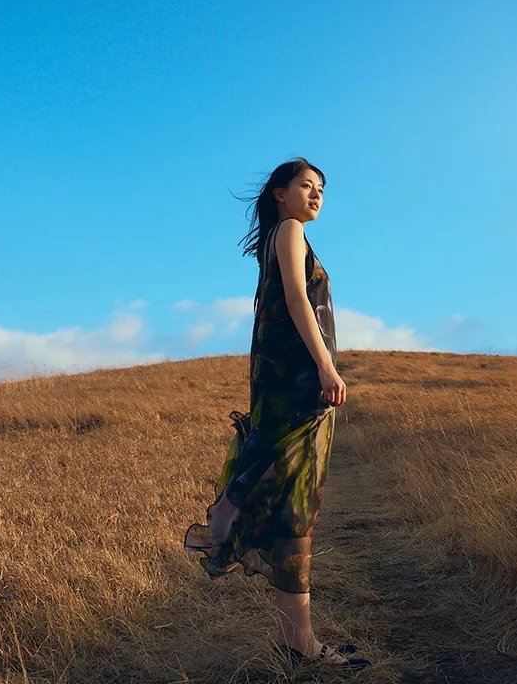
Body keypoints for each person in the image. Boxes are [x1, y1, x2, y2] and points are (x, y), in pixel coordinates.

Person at [183, 158, 371, 670]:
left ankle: (297, 643)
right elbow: (295, 299)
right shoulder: (288, 231)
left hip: (291, 391)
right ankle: (228, 523)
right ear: (278, 194)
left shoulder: (286, 235)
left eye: (321, 190)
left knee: (293, 514)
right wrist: (327, 366)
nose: (315, 196)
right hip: (296, 390)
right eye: (306, 186)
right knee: (293, 513)